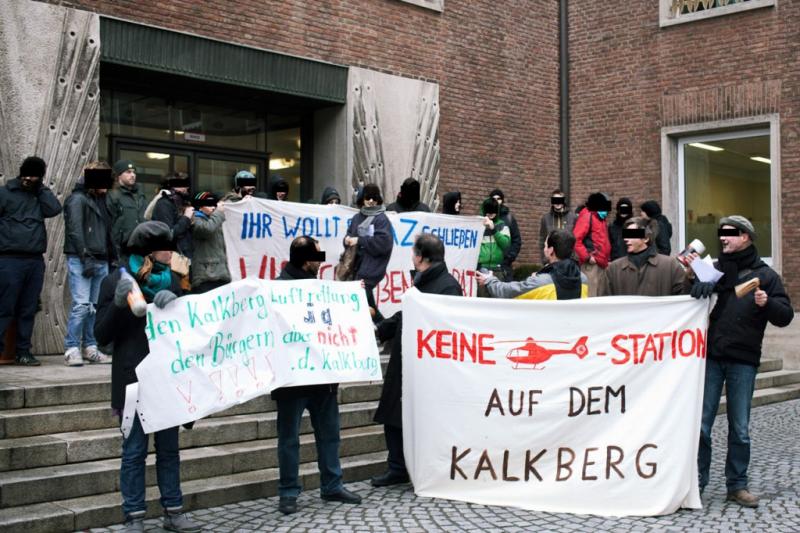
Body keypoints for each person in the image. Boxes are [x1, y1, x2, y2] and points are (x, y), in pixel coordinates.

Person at [94, 221, 201, 532]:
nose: (172, 253)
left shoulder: (178, 279)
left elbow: (190, 327)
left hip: (168, 379)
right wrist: (117, 305)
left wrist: (175, 302)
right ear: (148, 252)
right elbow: (101, 335)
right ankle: (134, 517)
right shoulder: (116, 280)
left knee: (169, 451)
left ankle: (174, 511)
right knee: (134, 452)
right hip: (132, 380)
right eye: (166, 247)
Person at [689, 216, 793, 508]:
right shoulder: (713, 270)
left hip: (744, 361)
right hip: (710, 357)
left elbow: (785, 315)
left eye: (730, 234)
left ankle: (737, 485)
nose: (723, 238)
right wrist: (696, 288)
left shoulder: (766, 274)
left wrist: (767, 303)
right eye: (721, 234)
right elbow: (690, 298)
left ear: (746, 237)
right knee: (701, 425)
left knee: (741, 428)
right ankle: (697, 482)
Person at [272, 236, 362, 514]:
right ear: (306, 259)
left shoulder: (322, 288)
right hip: (292, 379)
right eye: (318, 256)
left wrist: (353, 298)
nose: (321, 262)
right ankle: (288, 491)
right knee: (289, 439)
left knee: (330, 434)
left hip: (322, 378)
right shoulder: (276, 288)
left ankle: (332, 485)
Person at [372, 233, 462, 487]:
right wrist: (380, 328)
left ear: (421, 257)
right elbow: (405, 314)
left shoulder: (447, 287)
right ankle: (397, 467)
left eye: (413, 253)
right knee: (393, 416)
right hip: (405, 363)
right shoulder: (423, 283)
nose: (412, 257)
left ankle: (423, 468)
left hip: (427, 370)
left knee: (420, 420)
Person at [0, 156, 62, 366]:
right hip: (9, 259)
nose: (29, 180)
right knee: (4, 307)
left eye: (34, 177)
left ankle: (23, 351)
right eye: (26, 176)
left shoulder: (39, 194)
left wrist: (41, 187)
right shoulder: (5, 193)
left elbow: (54, 209)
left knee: (28, 308)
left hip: (35, 260)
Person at [62, 162, 116, 366]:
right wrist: (85, 258)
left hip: (101, 258)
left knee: (94, 306)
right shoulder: (77, 199)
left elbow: (108, 231)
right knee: (81, 305)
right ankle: (72, 347)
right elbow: (74, 230)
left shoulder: (101, 200)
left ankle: (90, 347)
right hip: (82, 257)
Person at [477, 229, 587, 300]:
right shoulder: (583, 279)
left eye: (545, 246)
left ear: (551, 250)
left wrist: (490, 280)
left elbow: (507, 293)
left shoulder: (541, 282)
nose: (543, 249)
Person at [600, 217, 686, 297]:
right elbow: (605, 303)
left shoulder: (670, 266)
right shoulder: (614, 269)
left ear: (646, 238)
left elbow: (685, 298)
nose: (625, 239)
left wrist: (690, 278)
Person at [344, 183, 393, 319]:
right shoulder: (356, 218)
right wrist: (346, 240)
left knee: (358, 305)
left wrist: (360, 240)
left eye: (374, 198)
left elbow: (384, 244)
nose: (371, 201)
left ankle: (378, 330)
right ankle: (384, 330)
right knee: (366, 304)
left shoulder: (381, 219)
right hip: (354, 268)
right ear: (362, 199)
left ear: (378, 200)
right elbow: (349, 236)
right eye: (368, 198)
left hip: (370, 270)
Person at [189, 192, 230, 294]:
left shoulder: (214, 220)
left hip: (220, 275)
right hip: (205, 278)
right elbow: (207, 230)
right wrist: (219, 212)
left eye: (214, 205)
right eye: (208, 205)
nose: (213, 208)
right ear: (199, 207)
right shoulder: (195, 219)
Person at [573, 192, 611, 297]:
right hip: (591, 266)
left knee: (600, 298)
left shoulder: (601, 218)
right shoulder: (587, 216)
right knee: (591, 298)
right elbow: (576, 239)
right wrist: (587, 257)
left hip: (601, 265)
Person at [107, 160, 146, 260]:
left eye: (134, 172)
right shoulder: (112, 195)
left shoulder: (140, 194)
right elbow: (108, 224)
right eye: (128, 172)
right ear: (119, 175)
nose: (133, 175)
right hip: (121, 249)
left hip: (140, 247)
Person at [150, 173, 194, 258]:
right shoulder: (164, 204)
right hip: (171, 257)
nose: (186, 188)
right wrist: (186, 217)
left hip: (183, 255)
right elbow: (169, 234)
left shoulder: (180, 203)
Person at [476, 197, 511, 297]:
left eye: (493, 213)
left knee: (498, 300)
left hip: (498, 269)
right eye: (488, 213)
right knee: (482, 300)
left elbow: (505, 244)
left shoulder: (502, 225)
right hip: (482, 268)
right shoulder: (478, 225)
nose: (490, 215)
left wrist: (494, 230)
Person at [488, 188, 521, 279]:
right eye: (494, 199)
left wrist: (509, 257)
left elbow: (516, 240)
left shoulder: (509, 218)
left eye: (499, 199)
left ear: (502, 200)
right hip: (488, 266)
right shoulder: (486, 218)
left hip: (504, 266)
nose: (496, 201)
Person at [539, 189, 577, 264]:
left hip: (569, 260)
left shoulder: (573, 218)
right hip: (551, 260)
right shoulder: (545, 218)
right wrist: (545, 259)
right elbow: (542, 240)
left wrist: (575, 258)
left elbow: (576, 239)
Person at [608, 197, 633, 262]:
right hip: (616, 261)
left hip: (631, 261)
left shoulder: (634, 225)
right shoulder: (612, 227)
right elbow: (609, 244)